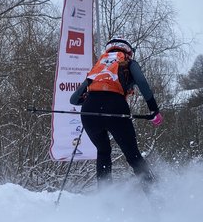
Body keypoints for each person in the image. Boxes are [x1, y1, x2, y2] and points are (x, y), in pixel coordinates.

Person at [70, 37, 163, 190]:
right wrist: (153, 109)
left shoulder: (98, 68)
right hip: (115, 107)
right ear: (128, 52)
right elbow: (142, 82)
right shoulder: (128, 63)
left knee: (103, 151)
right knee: (133, 156)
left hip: (89, 112)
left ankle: (105, 200)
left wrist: (91, 99)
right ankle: (156, 197)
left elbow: (74, 100)